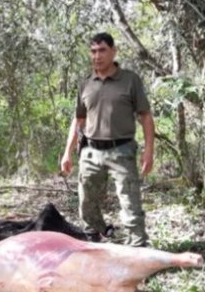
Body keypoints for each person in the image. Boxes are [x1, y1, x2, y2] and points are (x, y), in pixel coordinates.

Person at [60, 32, 155, 247]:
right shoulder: (86, 84)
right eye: (93, 51)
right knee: (86, 204)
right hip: (91, 151)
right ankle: (96, 237)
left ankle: (138, 247)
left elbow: (145, 117)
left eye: (102, 50)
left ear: (113, 51)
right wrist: (67, 152)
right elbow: (79, 120)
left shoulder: (130, 80)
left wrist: (149, 150)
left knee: (130, 203)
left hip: (121, 150)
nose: (97, 56)